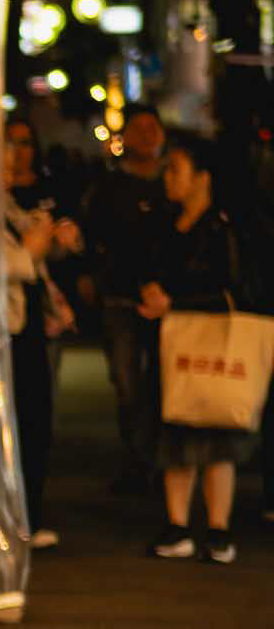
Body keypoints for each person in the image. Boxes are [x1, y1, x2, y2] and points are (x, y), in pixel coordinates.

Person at [141, 133, 253, 564]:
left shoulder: (222, 227)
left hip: (210, 342)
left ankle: (218, 527)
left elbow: (233, 290)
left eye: (176, 170)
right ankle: (178, 524)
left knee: (216, 434)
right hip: (174, 342)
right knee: (176, 430)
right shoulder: (167, 223)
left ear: (202, 178)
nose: (169, 178)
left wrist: (176, 302)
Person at [82, 105, 168, 490]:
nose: (148, 135)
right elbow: (93, 234)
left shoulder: (173, 181)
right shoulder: (108, 186)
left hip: (168, 299)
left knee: (166, 382)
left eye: (154, 128)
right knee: (128, 383)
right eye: (140, 128)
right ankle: (138, 458)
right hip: (120, 297)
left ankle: (165, 462)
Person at [3, 122, 78, 549]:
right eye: (6, 156)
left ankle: (29, 512)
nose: (13, 162)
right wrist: (32, 251)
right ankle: (14, 516)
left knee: (35, 419)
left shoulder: (12, 206)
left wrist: (57, 241)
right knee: (15, 420)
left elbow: (37, 251)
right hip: (3, 329)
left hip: (30, 325)